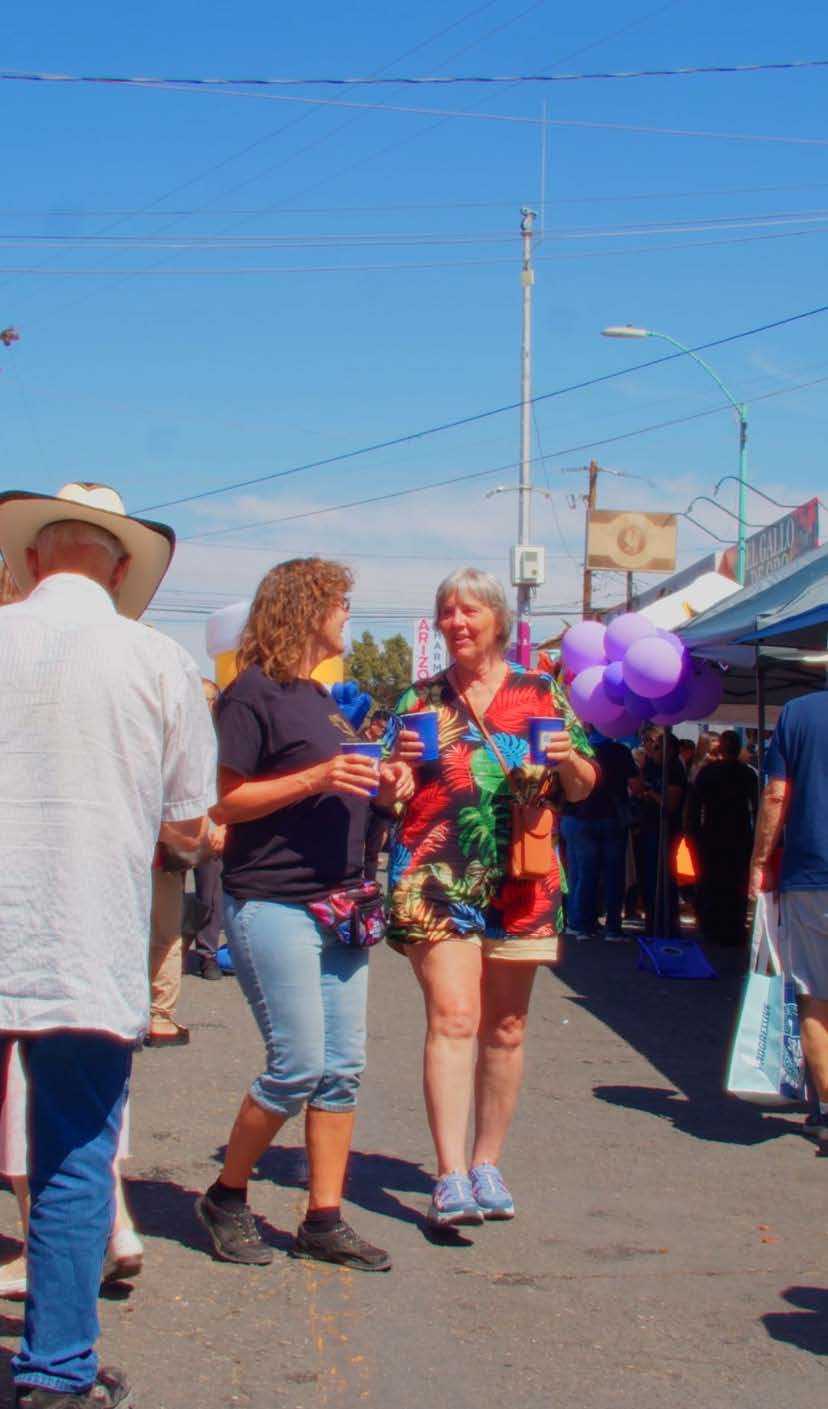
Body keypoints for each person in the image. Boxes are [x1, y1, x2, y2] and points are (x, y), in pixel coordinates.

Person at [0, 482, 216, 1409]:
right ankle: (54, 1368)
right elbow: (188, 823)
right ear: (122, 570)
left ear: (32, 561)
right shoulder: (158, 660)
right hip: (81, 932)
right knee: (73, 1155)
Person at [196, 558, 413, 1273]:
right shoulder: (250, 695)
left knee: (342, 1070)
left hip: (341, 902)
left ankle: (324, 1217)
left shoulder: (322, 700)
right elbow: (226, 802)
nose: (348, 615)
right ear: (303, 608)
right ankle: (226, 1196)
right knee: (296, 1065)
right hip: (273, 901)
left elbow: (345, 792)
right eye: (339, 603)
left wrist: (387, 786)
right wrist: (320, 775)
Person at [387, 568, 596, 1228]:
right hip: (437, 876)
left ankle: (486, 1162)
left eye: (468, 609)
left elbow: (585, 784)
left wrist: (565, 758)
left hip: (524, 880)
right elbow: (391, 789)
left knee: (506, 1027)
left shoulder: (540, 692)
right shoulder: (419, 699)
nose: (455, 620)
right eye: (446, 610)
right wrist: (392, 774)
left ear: (499, 621)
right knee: (453, 1014)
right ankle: (448, 1175)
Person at [749, 692, 828, 1152]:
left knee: (816, 996)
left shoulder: (798, 712)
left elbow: (777, 792)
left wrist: (760, 859)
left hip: (812, 873)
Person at [560, 733, 637, 942]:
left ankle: (580, 924)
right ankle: (612, 927)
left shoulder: (575, 751)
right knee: (614, 876)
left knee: (582, 874)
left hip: (578, 816)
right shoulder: (621, 751)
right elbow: (635, 785)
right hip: (612, 817)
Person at [686, 729, 758, 946]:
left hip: (713, 833)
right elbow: (757, 805)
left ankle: (712, 927)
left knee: (712, 882)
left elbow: (694, 806)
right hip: (738, 833)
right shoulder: (747, 773)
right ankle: (733, 928)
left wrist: (692, 832)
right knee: (735, 883)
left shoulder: (709, 773)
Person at [634, 727, 686, 935]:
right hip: (648, 828)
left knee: (664, 878)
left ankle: (666, 923)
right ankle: (652, 921)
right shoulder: (652, 767)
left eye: (657, 748)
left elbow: (670, 804)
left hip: (665, 831)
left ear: (669, 750)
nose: (653, 751)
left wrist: (648, 792)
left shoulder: (674, 770)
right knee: (648, 878)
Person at [191, 678, 227, 981]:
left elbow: (228, 787)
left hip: (211, 824)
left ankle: (207, 954)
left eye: (208, 699)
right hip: (174, 825)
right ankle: (168, 949)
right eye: (198, 699)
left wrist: (222, 824)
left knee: (209, 895)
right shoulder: (178, 731)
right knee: (163, 896)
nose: (204, 705)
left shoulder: (225, 738)